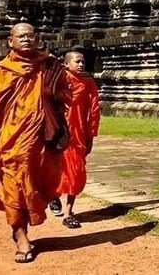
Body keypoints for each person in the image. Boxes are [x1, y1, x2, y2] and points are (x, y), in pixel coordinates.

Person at [0, 23, 71, 263]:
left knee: (39, 182)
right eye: (21, 36)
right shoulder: (1, 71)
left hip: (42, 139)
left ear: (37, 38)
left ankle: (25, 224)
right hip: (11, 140)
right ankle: (20, 236)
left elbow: (64, 94)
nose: (26, 39)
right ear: (10, 42)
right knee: (13, 185)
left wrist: (57, 95)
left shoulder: (49, 66)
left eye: (30, 35)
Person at [49, 51, 100, 228]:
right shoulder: (58, 80)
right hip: (58, 132)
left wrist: (91, 134)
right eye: (77, 61)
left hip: (78, 134)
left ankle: (69, 212)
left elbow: (94, 110)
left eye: (83, 62)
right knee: (56, 170)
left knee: (76, 173)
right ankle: (53, 196)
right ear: (66, 64)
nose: (81, 65)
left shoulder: (87, 83)